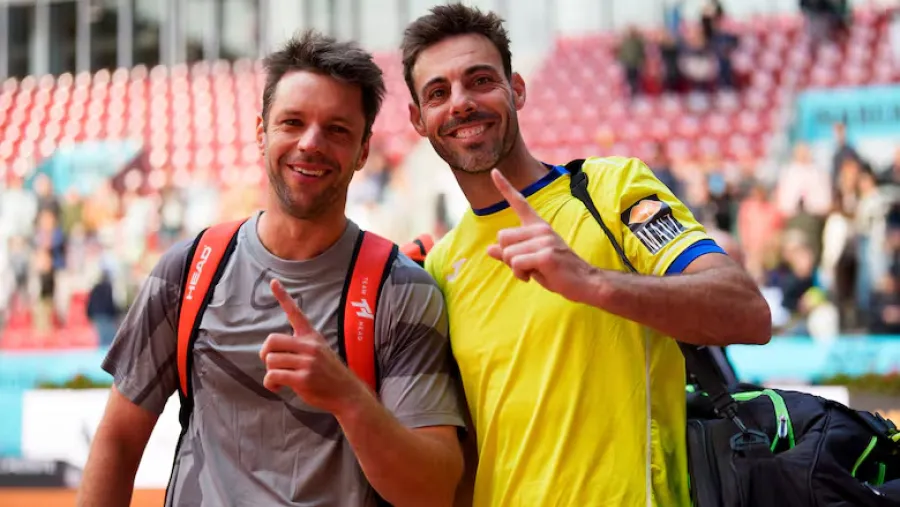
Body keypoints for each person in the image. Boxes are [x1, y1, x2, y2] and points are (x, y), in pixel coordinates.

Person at [400, 4, 772, 506]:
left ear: (518, 89)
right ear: (418, 120)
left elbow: (747, 313)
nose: (461, 103)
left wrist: (592, 281)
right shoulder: (443, 264)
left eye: (481, 80)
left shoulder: (610, 189)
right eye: (438, 93)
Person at [77, 30, 465, 507]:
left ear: (364, 150)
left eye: (337, 130)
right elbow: (118, 439)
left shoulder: (402, 289)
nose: (311, 143)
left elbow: (433, 490)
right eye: (292, 122)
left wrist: (348, 397)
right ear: (262, 133)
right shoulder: (187, 271)